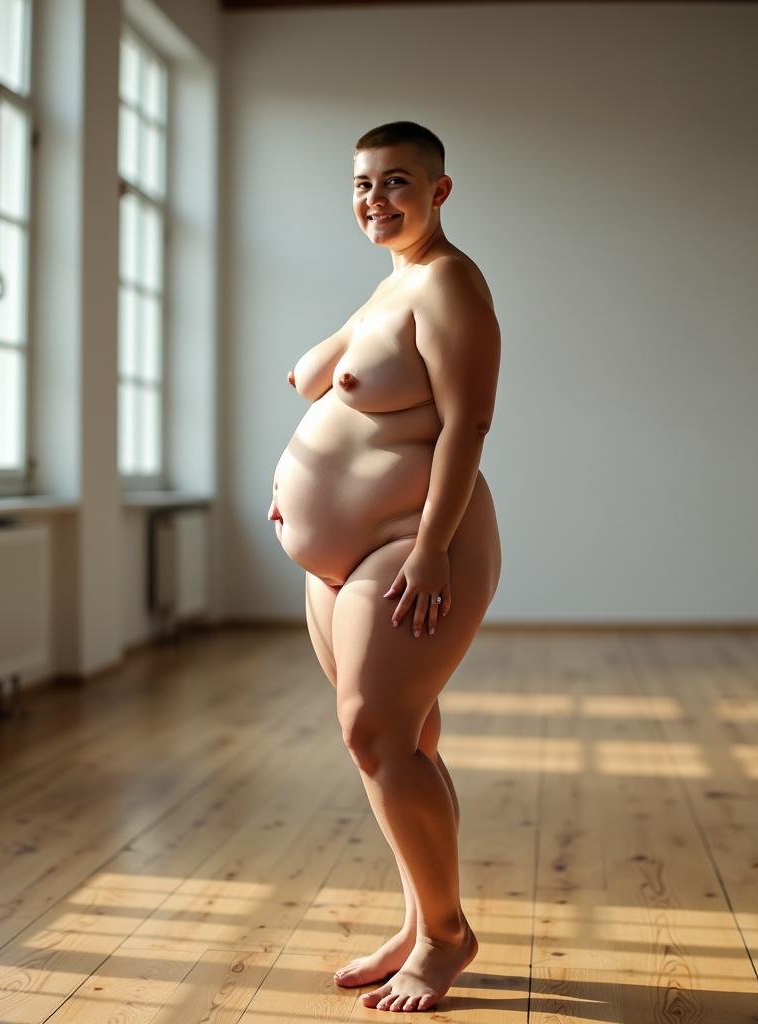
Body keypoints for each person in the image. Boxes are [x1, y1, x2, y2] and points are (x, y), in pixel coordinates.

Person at [267, 120, 502, 1013]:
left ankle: (447, 938)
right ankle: (419, 917)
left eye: (396, 183)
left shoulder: (449, 284)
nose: (376, 200)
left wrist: (435, 547)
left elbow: (467, 427)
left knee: (376, 734)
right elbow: (332, 398)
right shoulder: (389, 286)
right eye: (363, 185)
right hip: (342, 558)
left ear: (439, 192)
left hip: (413, 544)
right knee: (399, 744)